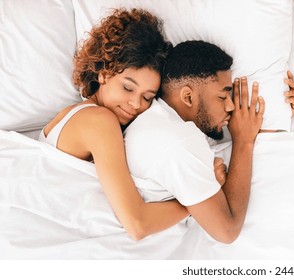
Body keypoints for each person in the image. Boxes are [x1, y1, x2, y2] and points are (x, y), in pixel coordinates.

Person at [124, 40, 294, 244]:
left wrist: (272, 120)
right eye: (222, 96)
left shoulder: (159, 122)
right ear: (188, 97)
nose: (231, 106)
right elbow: (228, 231)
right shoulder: (179, 141)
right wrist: (244, 141)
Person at [38, 8, 189, 240]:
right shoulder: (100, 121)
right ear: (103, 72)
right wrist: (193, 201)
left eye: (147, 97)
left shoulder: (78, 114)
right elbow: (138, 225)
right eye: (128, 87)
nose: (135, 104)